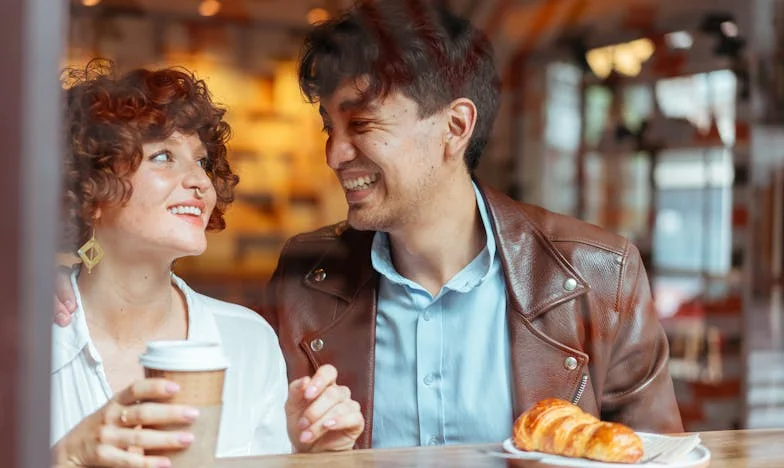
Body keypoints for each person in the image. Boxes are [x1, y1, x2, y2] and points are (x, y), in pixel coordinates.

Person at [55, 0, 684, 451]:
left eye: (362, 124)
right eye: (329, 127)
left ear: (455, 127)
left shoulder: (598, 275)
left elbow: (659, 455)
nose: (334, 154)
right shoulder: (304, 278)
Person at [51, 62, 362, 468]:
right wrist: (64, 456)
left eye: (200, 162)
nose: (200, 182)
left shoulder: (248, 340)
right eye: (163, 156)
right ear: (88, 191)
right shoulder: (26, 337)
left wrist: (313, 458)